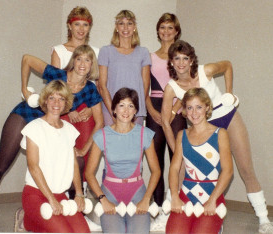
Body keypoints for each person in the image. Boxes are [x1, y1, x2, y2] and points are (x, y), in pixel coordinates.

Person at [0, 45, 103, 232]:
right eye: (79, 58)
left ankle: (76, 211)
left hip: (50, 123)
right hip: (27, 114)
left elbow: (99, 122)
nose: (82, 64)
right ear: (73, 60)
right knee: (1, 165)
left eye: (87, 60)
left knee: (78, 161)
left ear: (92, 65)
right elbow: (27, 58)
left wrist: (84, 149)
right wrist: (25, 90)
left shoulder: (90, 89)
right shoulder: (58, 74)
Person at [162, 40, 273, 233]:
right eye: (177, 58)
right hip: (201, 125)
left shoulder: (205, 71)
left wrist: (229, 93)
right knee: (179, 169)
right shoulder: (171, 87)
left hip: (227, 118)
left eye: (185, 58)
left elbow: (228, 65)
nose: (181, 63)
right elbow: (165, 121)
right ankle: (172, 211)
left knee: (245, 168)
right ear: (171, 62)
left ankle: (263, 217)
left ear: (191, 60)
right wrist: (175, 149)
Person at [50, 7, 101, 230]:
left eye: (85, 24)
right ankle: (60, 200)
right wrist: (65, 110)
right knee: (61, 156)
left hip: (86, 108)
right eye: (77, 24)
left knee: (82, 157)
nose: (81, 29)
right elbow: (53, 90)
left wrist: (89, 109)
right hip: (64, 106)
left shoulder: (94, 51)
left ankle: (77, 202)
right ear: (70, 25)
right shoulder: (59, 50)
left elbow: (95, 88)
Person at [85, 88, 161, 233]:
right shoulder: (102, 135)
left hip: (137, 193)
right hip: (110, 194)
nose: (126, 110)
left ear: (135, 111)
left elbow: (156, 171)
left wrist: (146, 199)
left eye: (130, 106)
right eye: (121, 105)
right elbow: (89, 173)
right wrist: (103, 199)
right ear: (114, 109)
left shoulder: (144, 134)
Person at [20, 80, 89, 233]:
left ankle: (38, 223)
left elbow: (73, 164)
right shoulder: (33, 128)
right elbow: (33, 167)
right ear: (45, 100)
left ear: (66, 103)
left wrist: (79, 194)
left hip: (60, 196)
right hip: (36, 195)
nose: (56, 102)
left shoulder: (70, 130)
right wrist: (51, 199)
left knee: (83, 232)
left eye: (61, 98)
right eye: (52, 98)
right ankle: (29, 220)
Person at [166, 87, 233, 233]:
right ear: (185, 110)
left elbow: (228, 171)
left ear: (207, 107)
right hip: (186, 194)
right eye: (189, 108)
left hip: (212, 194)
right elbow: (174, 168)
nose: (194, 113)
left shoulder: (220, 133)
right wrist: (174, 197)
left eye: (199, 107)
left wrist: (213, 200)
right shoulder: (181, 135)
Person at [145, 13, 187, 232]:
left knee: (177, 158)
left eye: (170, 27)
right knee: (156, 161)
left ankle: (176, 206)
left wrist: (174, 110)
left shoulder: (182, 55)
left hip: (178, 107)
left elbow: (189, 84)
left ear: (176, 30)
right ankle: (160, 208)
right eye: (163, 27)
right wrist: (152, 111)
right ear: (158, 30)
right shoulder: (150, 56)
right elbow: (144, 87)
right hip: (155, 106)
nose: (166, 31)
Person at [98, 10, 151, 126]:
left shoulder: (143, 52)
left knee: (134, 143)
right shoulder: (106, 51)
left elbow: (145, 86)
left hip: (135, 111)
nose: (125, 27)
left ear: (135, 27)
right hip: (110, 109)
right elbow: (102, 86)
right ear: (116, 27)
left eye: (130, 23)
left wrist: (134, 109)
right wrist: (113, 113)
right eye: (121, 23)